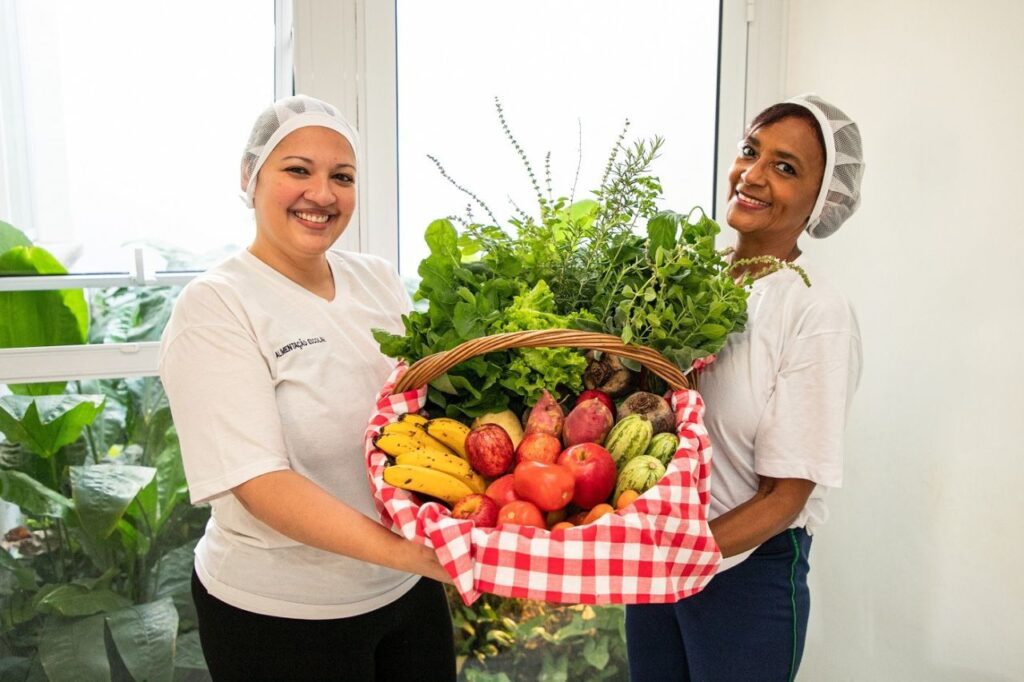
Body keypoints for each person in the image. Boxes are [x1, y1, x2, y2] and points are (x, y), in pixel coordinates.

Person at [159, 95, 456, 681]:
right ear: (250, 177)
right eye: (298, 170)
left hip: (404, 591)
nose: (322, 194)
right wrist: (408, 553)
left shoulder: (375, 279)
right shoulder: (217, 305)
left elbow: (416, 417)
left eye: (341, 176)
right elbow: (259, 482)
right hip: (280, 613)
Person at [624, 94, 865, 681]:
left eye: (785, 168)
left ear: (820, 201)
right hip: (661, 556)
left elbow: (786, 496)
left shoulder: (813, 310)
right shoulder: (687, 280)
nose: (753, 175)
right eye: (750, 151)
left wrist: (679, 555)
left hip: (745, 576)